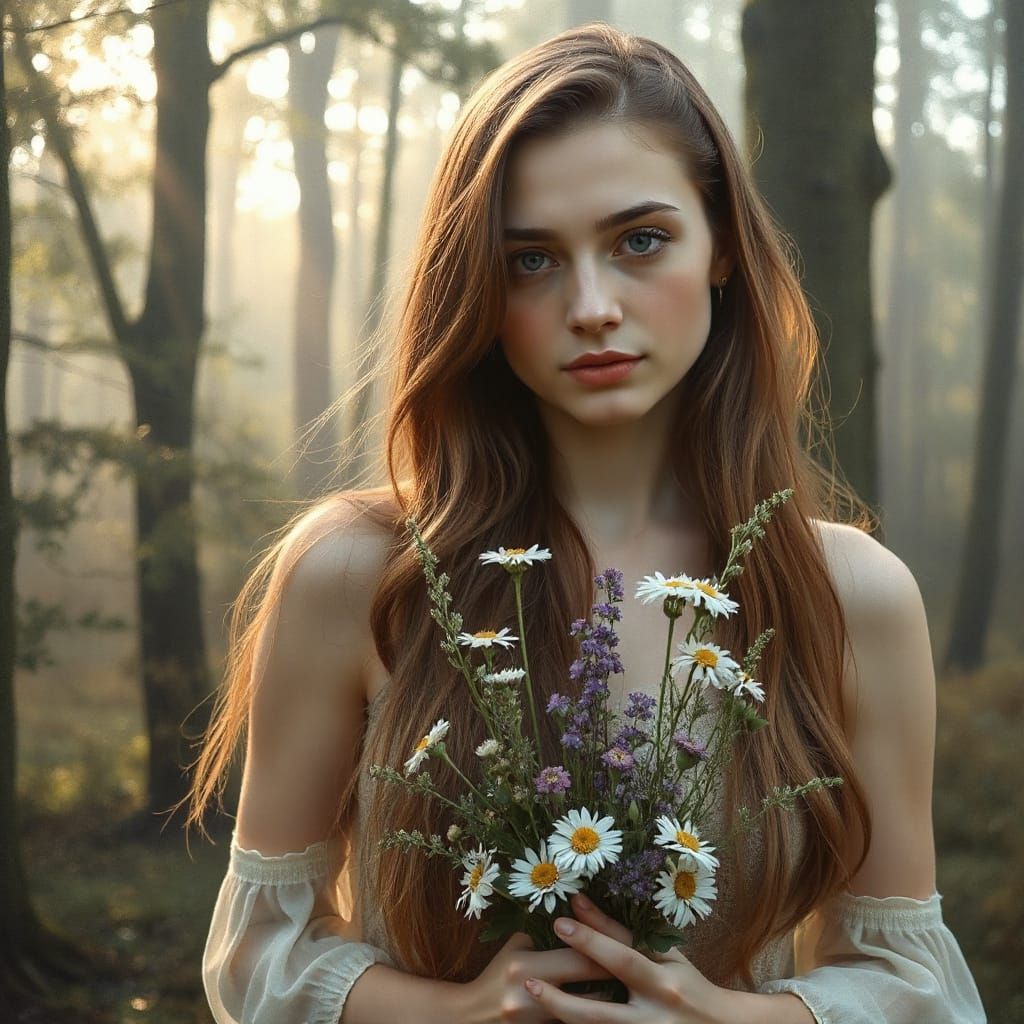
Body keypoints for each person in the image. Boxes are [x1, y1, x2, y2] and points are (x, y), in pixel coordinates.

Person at [186, 23, 987, 1024]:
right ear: (477, 289)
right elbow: (257, 954)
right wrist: (458, 1011)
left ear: (723, 248)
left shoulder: (847, 595)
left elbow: (908, 983)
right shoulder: (361, 572)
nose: (593, 305)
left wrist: (726, 1018)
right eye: (531, 261)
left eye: (639, 240)